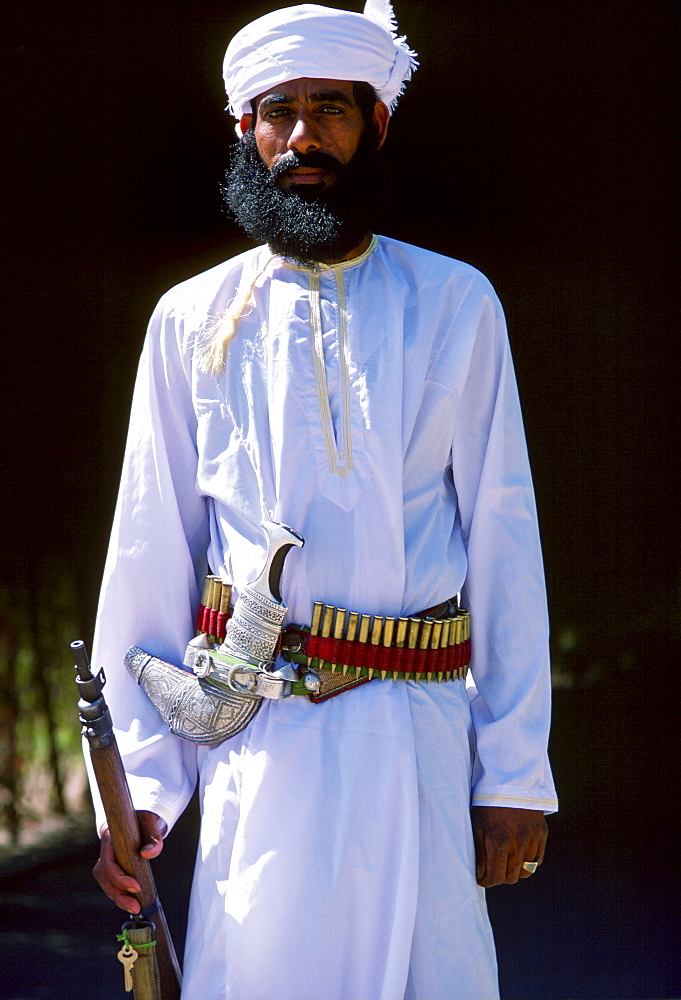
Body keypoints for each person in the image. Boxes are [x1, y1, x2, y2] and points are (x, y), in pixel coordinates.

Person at [90, 4, 558, 999]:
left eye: (330, 111)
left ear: (374, 125)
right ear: (245, 133)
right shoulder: (193, 319)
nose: (304, 136)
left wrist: (514, 770)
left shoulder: (457, 302)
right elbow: (149, 549)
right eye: (280, 113)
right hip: (260, 746)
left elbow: (504, 537)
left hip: (419, 742)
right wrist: (135, 783)